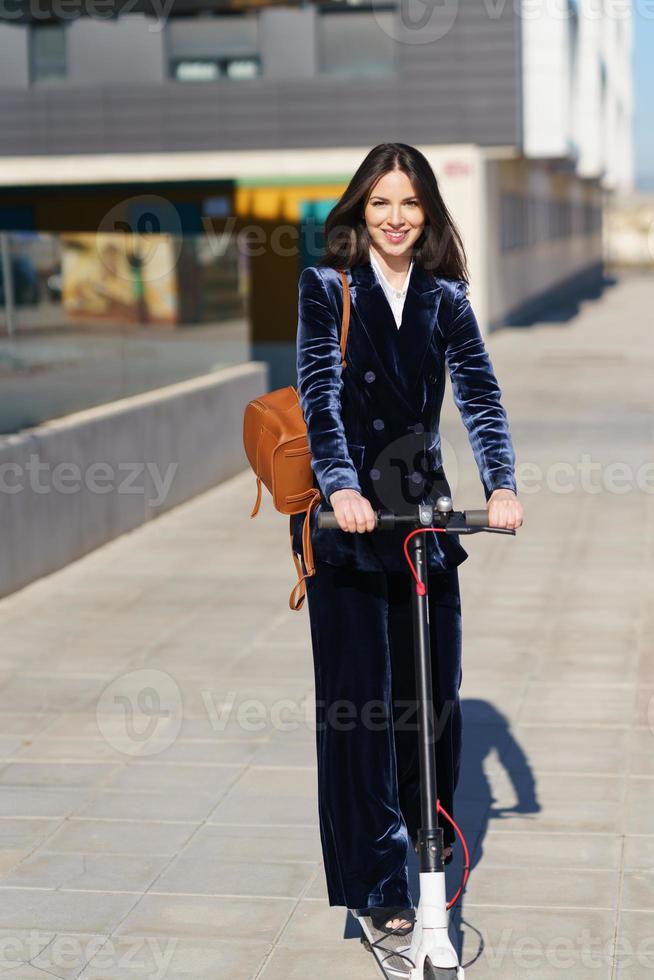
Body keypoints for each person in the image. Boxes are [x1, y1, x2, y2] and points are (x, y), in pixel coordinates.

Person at [290, 142, 523, 936]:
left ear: (428, 215)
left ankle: (427, 851)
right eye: (381, 203)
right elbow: (319, 394)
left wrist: (501, 484)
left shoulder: (445, 297)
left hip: (422, 517)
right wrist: (342, 485)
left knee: (433, 699)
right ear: (360, 209)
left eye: (410, 204)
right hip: (347, 520)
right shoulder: (327, 288)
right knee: (358, 704)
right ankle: (379, 877)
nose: (395, 218)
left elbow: (481, 394)